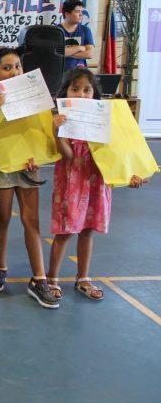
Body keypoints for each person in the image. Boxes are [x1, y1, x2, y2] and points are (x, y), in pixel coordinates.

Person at [48, 68, 147, 301]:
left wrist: (131, 176)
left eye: (86, 90)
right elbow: (68, 156)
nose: (81, 94)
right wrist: (57, 133)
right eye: (75, 89)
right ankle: (52, 278)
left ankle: (83, 277)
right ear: (66, 93)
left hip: (96, 182)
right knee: (65, 231)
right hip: (72, 183)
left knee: (87, 230)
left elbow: (121, 153)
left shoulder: (106, 121)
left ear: (94, 94)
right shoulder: (63, 120)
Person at [0, 47, 59, 309]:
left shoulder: (35, 95)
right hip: (2, 166)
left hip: (28, 166)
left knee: (31, 220)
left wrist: (38, 155)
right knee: (2, 218)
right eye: (7, 67)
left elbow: (42, 135)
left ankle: (39, 279)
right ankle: (1, 267)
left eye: (17, 67)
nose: (14, 72)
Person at [59, 0, 94, 71]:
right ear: (67, 14)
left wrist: (66, 53)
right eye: (77, 11)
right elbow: (55, 53)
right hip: (59, 74)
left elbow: (89, 54)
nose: (81, 14)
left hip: (80, 75)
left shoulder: (85, 30)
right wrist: (79, 48)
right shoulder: (56, 31)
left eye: (81, 11)